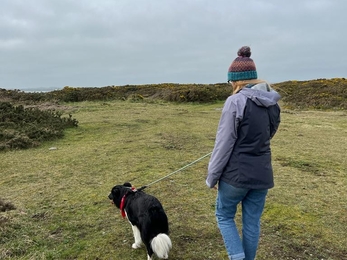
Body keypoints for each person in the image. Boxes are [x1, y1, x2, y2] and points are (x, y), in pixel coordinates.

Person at [206, 46, 281, 260]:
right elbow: (269, 133)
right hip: (262, 175)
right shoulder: (273, 103)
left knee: (223, 215)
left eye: (230, 80)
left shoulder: (235, 101)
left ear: (236, 80)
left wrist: (212, 178)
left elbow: (223, 144)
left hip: (235, 177)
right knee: (252, 223)